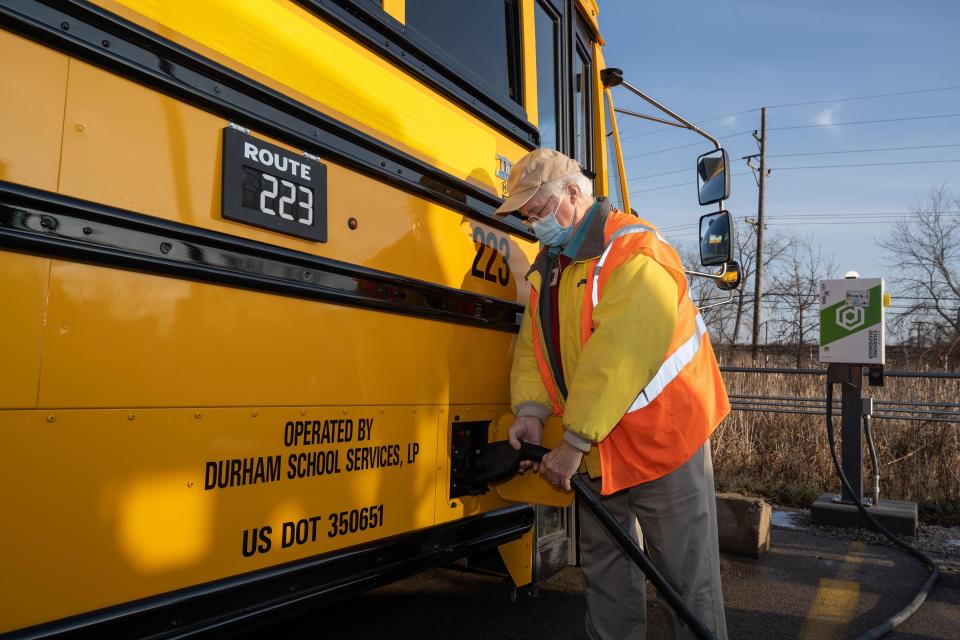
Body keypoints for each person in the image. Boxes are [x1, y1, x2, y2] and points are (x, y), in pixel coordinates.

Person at [495, 148, 730, 640]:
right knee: (607, 576)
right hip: (602, 448)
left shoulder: (635, 249)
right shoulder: (551, 268)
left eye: (536, 211)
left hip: (665, 442)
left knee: (686, 583)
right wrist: (531, 412)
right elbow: (535, 347)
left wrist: (573, 441)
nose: (531, 223)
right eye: (526, 215)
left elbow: (619, 354)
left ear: (574, 193)